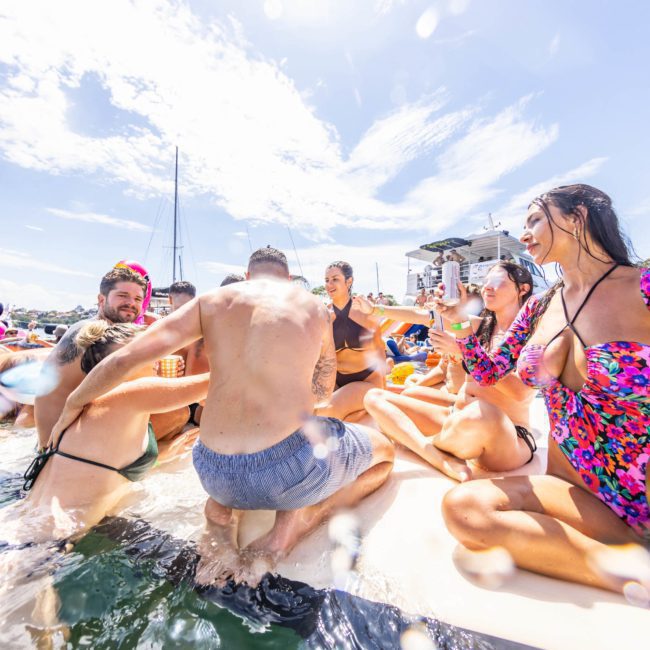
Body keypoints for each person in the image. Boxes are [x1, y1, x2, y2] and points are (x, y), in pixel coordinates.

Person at [51, 247, 394, 583]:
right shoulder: (316, 308)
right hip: (285, 475)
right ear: (289, 279)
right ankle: (298, 522)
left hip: (213, 471)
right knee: (383, 453)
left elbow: (125, 359)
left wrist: (72, 405)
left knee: (240, 452)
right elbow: (322, 393)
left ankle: (219, 513)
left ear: (246, 277)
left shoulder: (213, 301)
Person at [438, 184, 650, 593]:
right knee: (464, 509)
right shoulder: (540, 306)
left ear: (578, 217)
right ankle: (633, 574)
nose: (525, 234)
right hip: (576, 492)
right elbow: (490, 369)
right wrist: (462, 322)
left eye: (535, 219)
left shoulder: (642, 286)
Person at [2, 322, 209, 547]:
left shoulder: (91, 408)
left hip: (20, 528)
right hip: (41, 546)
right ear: (116, 364)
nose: (156, 356)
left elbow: (96, 468)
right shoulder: (132, 395)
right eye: (144, 352)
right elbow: (219, 382)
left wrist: (162, 455)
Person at [364, 261, 536, 480]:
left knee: (482, 412)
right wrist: (376, 309)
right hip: (459, 417)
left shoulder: (531, 335)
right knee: (374, 397)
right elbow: (424, 316)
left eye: (497, 281)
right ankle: (434, 455)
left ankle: (412, 438)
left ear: (523, 289)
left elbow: (521, 393)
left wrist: (466, 352)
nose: (487, 287)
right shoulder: (481, 326)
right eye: (485, 282)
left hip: (506, 434)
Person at [34, 266, 186, 450]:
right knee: (177, 414)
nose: (131, 303)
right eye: (123, 295)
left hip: (50, 440)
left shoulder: (85, 326)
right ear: (101, 299)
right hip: (67, 447)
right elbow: (139, 391)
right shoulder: (100, 334)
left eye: (138, 299)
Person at [316, 261, 386, 421]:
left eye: (335, 279)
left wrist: (385, 393)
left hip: (367, 380)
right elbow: (321, 359)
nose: (329, 285)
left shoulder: (365, 311)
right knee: (310, 412)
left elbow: (380, 351)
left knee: (328, 412)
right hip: (337, 381)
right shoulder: (324, 316)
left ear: (349, 281)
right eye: (326, 280)